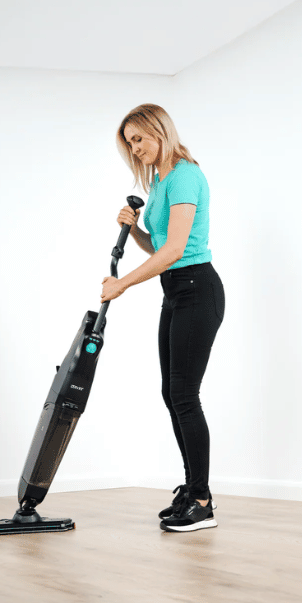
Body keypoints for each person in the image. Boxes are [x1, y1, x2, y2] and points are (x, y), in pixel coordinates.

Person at [100, 104, 225, 533]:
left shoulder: (185, 174)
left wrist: (122, 285)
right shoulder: (160, 181)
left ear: (159, 130)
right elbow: (159, 246)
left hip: (197, 289)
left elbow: (174, 250)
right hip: (175, 292)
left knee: (185, 395)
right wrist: (133, 228)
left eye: (140, 138)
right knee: (172, 394)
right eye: (130, 143)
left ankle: (203, 501)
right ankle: (191, 489)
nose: (136, 149)